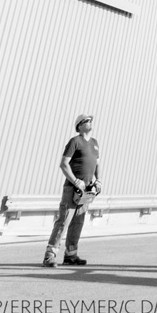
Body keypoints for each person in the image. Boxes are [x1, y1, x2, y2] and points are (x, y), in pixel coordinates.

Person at [42, 113, 101, 268]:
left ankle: (71, 255)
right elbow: (64, 164)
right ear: (79, 125)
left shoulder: (94, 143)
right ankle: (49, 256)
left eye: (90, 120)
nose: (90, 122)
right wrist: (76, 181)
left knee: (78, 223)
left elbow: (97, 164)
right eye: (86, 120)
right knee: (63, 222)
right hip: (72, 189)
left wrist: (98, 181)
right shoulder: (75, 141)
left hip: (86, 191)